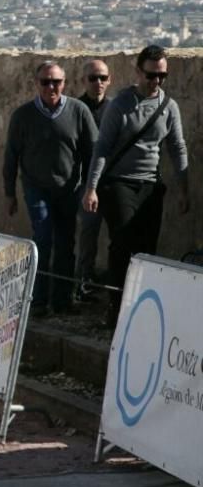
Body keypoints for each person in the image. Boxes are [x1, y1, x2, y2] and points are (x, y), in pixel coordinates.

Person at [83, 45, 190, 328]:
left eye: (162, 76)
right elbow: (103, 148)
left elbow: (177, 147)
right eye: (151, 75)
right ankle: (116, 308)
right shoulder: (121, 104)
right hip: (119, 183)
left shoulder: (168, 107)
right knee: (122, 242)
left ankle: (143, 308)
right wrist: (92, 187)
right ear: (138, 72)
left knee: (146, 249)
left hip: (149, 185)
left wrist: (183, 188)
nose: (156, 81)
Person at [4, 61, 97, 316]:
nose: (51, 87)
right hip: (36, 187)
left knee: (66, 243)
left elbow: (93, 152)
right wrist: (10, 193)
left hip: (69, 188)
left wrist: (91, 188)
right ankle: (38, 300)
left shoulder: (78, 112)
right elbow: (11, 156)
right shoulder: (23, 116)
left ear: (64, 83)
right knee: (43, 238)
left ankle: (63, 300)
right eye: (45, 82)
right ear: (37, 84)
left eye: (56, 82)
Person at [75, 60, 112, 302]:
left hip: (113, 182)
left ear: (109, 80)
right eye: (92, 78)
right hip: (86, 184)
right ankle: (82, 284)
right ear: (84, 81)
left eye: (102, 78)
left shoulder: (114, 109)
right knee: (88, 235)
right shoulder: (76, 110)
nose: (98, 83)